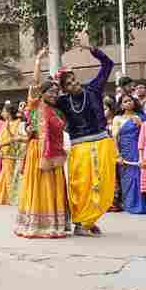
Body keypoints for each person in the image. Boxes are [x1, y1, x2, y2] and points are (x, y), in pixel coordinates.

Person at [54, 46, 117, 236]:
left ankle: (90, 219)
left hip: (102, 142)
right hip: (79, 146)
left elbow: (108, 65)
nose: (75, 83)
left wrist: (94, 51)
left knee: (104, 184)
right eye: (69, 83)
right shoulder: (62, 101)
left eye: (74, 79)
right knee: (81, 185)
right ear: (63, 89)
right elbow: (42, 96)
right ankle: (81, 220)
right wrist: (57, 77)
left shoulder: (93, 89)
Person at [15, 49, 71, 239]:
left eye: (56, 92)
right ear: (42, 93)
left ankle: (54, 224)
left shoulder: (55, 111)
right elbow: (35, 84)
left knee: (53, 187)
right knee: (41, 187)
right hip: (37, 153)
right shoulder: (36, 106)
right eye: (51, 92)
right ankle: (37, 225)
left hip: (54, 154)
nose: (54, 94)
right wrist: (38, 62)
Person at [112, 95, 146, 215]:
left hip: (138, 149)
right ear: (121, 105)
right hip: (124, 151)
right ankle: (129, 205)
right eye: (125, 101)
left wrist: (141, 124)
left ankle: (141, 206)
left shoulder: (141, 117)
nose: (128, 103)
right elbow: (115, 138)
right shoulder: (117, 118)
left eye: (130, 100)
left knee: (139, 176)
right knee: (127, 178)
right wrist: (118, 155)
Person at [0, 102, 24, 206]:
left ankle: (12, 198)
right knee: (4, 174)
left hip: (13, 152)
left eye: (4, 111)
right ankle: (1, 197)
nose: (2, 113)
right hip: (4, 152)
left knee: (10, 175)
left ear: (9, 113)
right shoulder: (4, 123)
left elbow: (14, 138)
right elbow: (0, 137)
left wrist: (2, 145)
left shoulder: (18, 122)